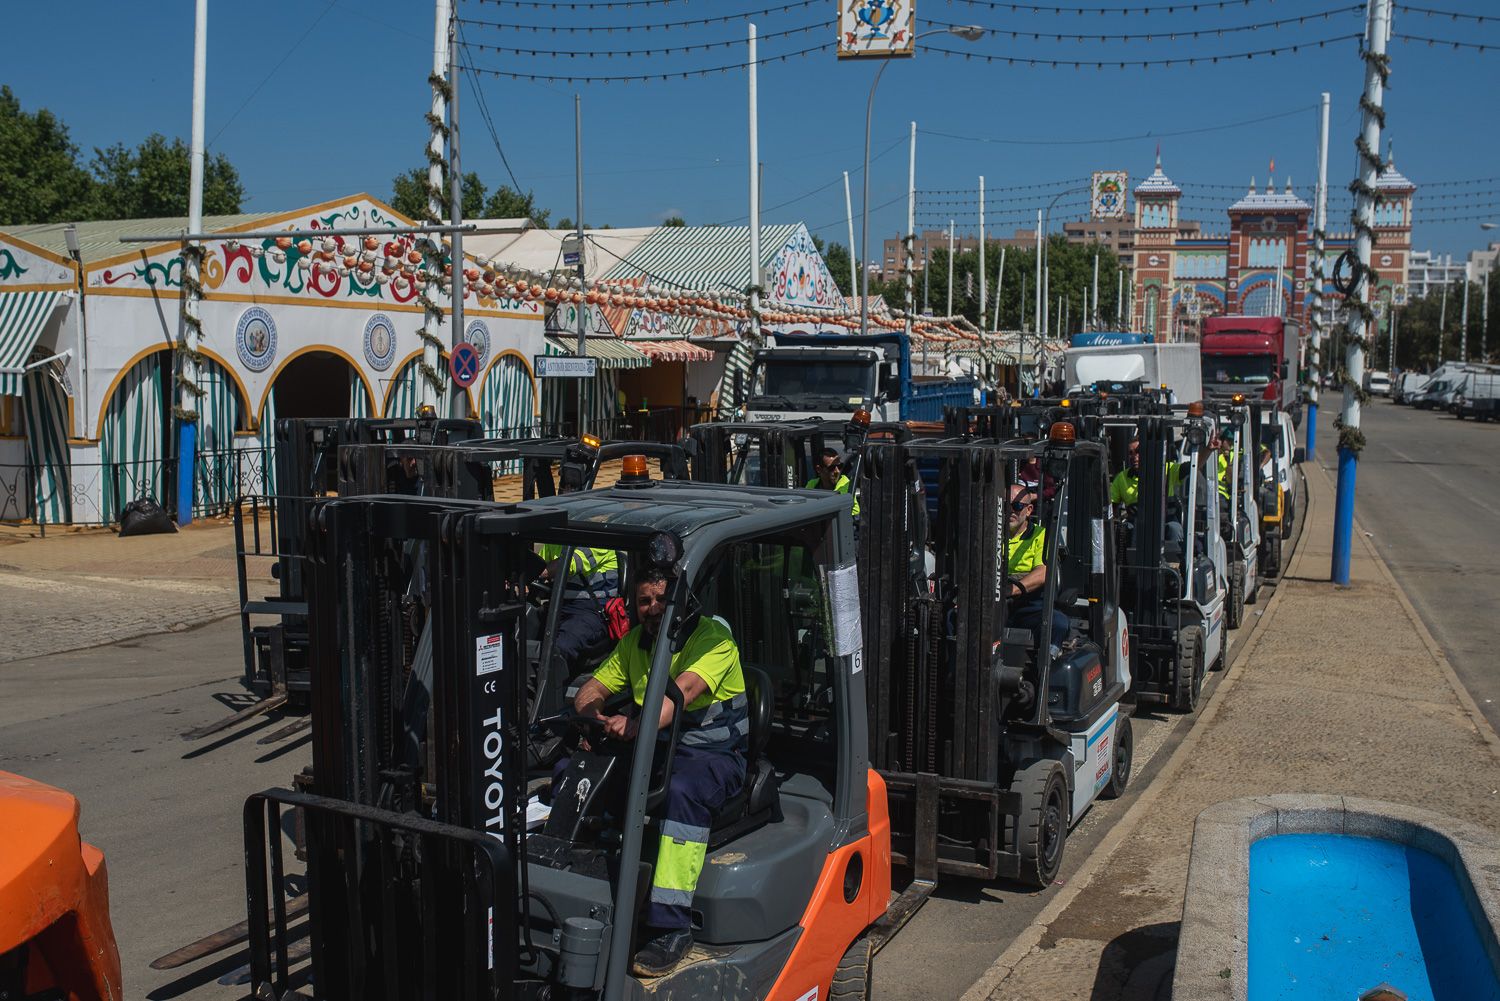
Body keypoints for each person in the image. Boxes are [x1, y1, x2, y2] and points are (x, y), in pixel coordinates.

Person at [572, 570, 748, 977]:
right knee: (578, 773)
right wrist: (592, 715)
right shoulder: (637, 642)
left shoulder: (714, 641)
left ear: (682, 603)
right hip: (660, 749)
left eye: (660, 600)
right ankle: (589, 891)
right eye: (644, 601)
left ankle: (672, 924)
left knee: (680, 792)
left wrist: (631, 725)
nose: (652, 610)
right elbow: (592, 687)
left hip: (714, 756)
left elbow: (677, 696)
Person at [1002, 485, 1071, 649]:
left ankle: (1042, 671)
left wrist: (1011, 590)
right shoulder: (991, 533)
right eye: (1006, 505)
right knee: (952, 615)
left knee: (1058, 623)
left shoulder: (1041, 535)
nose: (1011, 511)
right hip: (994, 601)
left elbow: (1043, 572)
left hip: (1027, 604)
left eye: (1017, 506)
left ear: (1029, 509)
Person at [805, 448, 860, 516]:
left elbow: (854, 514)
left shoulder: (847, 485)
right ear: (819, 469)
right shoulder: (811, 485)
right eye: (832, 468)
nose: (837, 471)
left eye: (839, 466)